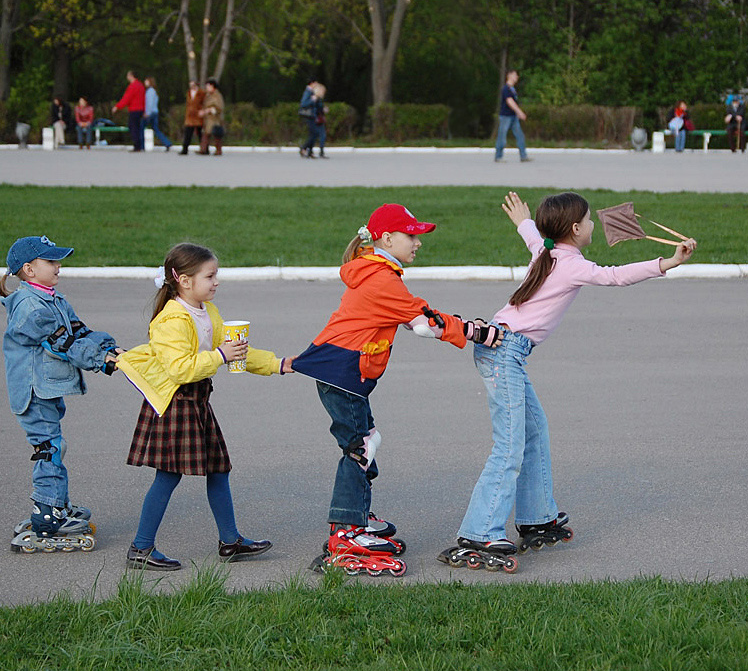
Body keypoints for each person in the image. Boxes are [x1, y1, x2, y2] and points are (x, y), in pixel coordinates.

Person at [439, 192, 696, 572]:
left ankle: (537, 516)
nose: (593, 225)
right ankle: (480, 531)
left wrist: (524, 221)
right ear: (575, 229)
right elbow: (615, 277)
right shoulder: (571, 263)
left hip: (503, 349)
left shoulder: (546, 253)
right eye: (589, 221)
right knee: (509, 445)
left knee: (534, 431)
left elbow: (532, 238)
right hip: (503, 352)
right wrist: (668, 262)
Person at [291, 204, 503, 577]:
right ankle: (347, 530)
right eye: (411, 235)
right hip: (343, 373)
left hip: (343, 372)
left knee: (368, 439)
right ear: (387, 238)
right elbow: (423, 323)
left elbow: (412, 317)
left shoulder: (376, 272)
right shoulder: (381, 279)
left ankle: (358, 515)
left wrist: (459, 326)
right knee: (359, 447)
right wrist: (476, 332)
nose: (418, 243)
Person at [116, 243, 293, 570]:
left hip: (197, 402)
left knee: (218, 469)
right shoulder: (171, 319)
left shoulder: (206, 311)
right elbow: (179, 369)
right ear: (184, 280)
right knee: (168, 476)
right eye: (209, 276)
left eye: (216, 276)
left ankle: (231, 541)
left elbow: (236, 349)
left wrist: (278, 363)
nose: (216, 282)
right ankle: (140, 548)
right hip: (174, 404)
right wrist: (221, 356)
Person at [0, 236, 120, 553]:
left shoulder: (54, 299)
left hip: (47, 390)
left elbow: (79, 332)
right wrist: (98, 360)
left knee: (55, 445)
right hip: (32, 392)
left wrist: (108, 348)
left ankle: (56, 505)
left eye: (57, 261)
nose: (58, 267)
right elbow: (60, 343)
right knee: (48, 448)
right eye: (50, 262)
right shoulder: (28, 306)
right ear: (29, 269)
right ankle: (47, 517)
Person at [495, 70, 529, 163]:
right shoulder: (506, 89)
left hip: (513, 117)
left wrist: (517, 113)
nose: (516, 77)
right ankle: (498, 157)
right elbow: (510, 102)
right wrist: (520, 112)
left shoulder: (512, 89)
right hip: (505, 117)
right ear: (509, 76)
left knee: (520, 136)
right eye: (514, 75)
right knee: (502, 137)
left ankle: (523, 156)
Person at [112, 70, 146, 152]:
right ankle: (140, 145)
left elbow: (127, 98)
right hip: (140, 109)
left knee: (132, 127)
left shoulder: (132, 86)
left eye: (128, 75)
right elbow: (144, 99)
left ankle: (137, 146)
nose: (127, 77)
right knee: (137, 127)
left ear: (131, 76)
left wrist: (117, 106)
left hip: (134, 109)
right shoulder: (140, 85)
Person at [143, 77, 173, 152]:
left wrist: (147, 113)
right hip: (155, 112)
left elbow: (149, 103)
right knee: (156, 129)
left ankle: (141, 144)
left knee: (141, 127)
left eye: (146, 81)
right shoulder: (154, 91)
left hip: (150, 112)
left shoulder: (150, 91)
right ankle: (167, 143)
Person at [299, 81, 327, 159]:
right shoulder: (309, 93)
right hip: (309, 116)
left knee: (313, 134)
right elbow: (304, 104)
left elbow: (318, 107)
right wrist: (313, 100)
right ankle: (304, 148)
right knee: (314, 134)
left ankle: (309, 151)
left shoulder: (315, 95)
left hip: (313, 116)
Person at [199, 78, 225, 156]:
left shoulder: (217, 95)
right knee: (206, 134)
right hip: (207, 119)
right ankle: (203, 149)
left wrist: (209, 110)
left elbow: (219, 108)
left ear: (212, 86)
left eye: (208, 86)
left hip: (215, 119)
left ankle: (218, 150)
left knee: (216, 135)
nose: (206, 88)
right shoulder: (208, 95)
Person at [180, 81, 205, 155]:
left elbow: (204, 103)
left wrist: (202, 110)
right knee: (188, 133)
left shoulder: (201, 93)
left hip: (198, 115)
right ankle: (185, 149)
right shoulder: (189, 93)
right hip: (190, 116)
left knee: (200, 133)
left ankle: (204, 148)